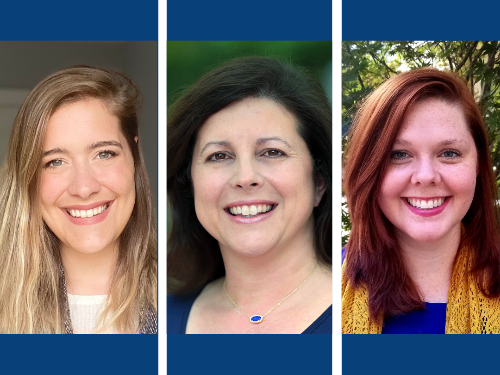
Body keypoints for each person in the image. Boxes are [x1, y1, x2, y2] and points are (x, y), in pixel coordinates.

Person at [167, 56, 332, 334]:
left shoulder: (364, 313)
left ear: (318, 182)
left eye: (272, 152)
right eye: (218, 155)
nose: (245, 178)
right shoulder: (156, 322)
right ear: (190, 185)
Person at [342, 67, 500, 334]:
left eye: (449, 153)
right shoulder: (314, 291)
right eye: (399, 154)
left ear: (478, 165)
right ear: (367, 169)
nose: (426, 177)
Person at [0, 66, 157, 334]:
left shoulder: (187, 307)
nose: (84, 188)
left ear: (134, 155)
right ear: (28, 178)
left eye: (104, 154)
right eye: (55, 162)